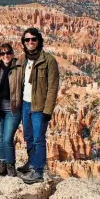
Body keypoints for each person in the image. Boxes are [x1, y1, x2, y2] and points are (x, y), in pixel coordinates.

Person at [17, 28, 59, 184]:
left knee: (38, 139)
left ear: (39, 40)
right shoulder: (22, 60)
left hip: (39, 107)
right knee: (28, 137)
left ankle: (38, 171)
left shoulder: (48, 60)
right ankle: (32, 162)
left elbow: (53, 87)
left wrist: (48, 111)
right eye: (27, 40)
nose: (30, 42)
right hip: (25, 105)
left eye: (33, 39)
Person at [0, 43, 23, 177]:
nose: (6, 56)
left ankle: (11, 165)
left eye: (8, 53)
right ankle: (2, 164)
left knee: (8, 138)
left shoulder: (18, 68)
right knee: (0, 138)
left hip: (13, 110)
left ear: (12, 54)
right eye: (2, 53)